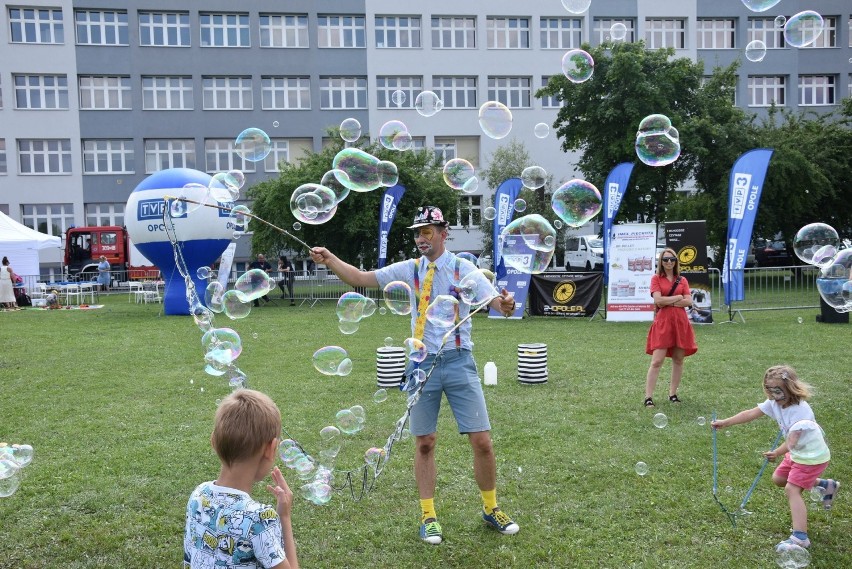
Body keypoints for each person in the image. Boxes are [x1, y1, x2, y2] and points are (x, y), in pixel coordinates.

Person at [310, 205, 519, 545]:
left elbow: (496, 302)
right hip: (421, 366)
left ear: (443, 232)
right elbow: (362, 278)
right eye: (417, 232)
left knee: (482, 441)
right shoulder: (409, 270)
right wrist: (331, 259)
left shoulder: (464, 269)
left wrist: (506, 306)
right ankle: (428, 515)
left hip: (459, 360)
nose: (421, 238)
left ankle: (491, 507)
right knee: (425, 443)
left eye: (427, 231)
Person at [711, 365, 839, 551]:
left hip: (811, 456)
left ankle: (800, 537)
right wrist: (726, 422)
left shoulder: (801, 411)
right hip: (796, 453)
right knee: (779, 479)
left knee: (792, 489)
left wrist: (777, 453)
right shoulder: (775, 402)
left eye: (778, 391)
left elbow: (792, 441)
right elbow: (751, 413)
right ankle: (824, 485)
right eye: (769, 390)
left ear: (790, 388)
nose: (773, 396)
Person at [184, 389, 299, 569]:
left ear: (213, 441)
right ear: (271, 448)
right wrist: (284, 517)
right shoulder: (260, 519)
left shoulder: (198, 495)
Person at [644, 247, 696, 407]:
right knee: (656, 361)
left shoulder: (682, 280)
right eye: (665, 259)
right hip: (663, 322)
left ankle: (672, 393)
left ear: (676, 262)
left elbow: (689, 301)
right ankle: (648, 397)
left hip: (680, 323)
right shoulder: (656, 279)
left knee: (678, 359)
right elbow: (658, 301)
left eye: (672, 259)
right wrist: (678, 298)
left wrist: (669, 300)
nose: (668, 262)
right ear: (661, 262)